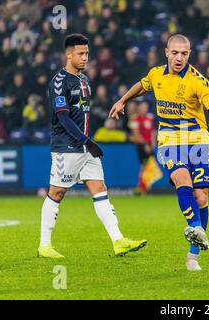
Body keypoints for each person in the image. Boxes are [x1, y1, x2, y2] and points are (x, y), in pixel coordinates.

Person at [109, 34, 209, 271]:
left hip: (198, 140)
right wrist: (122, 101)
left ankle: (193, 256)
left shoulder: (198, 81)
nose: (179, 57)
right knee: (182, 178)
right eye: (175, 53)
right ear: (166, 52)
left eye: (184, 53)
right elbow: (142, 86)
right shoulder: (156, 74)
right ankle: (197, 227)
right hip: (170, 140)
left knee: (201, 196)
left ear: (189, 54)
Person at [38, 34, 147, 259]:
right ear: (68, 55)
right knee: (56, 193)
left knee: (100, 190)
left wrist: (88, 140)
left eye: (87, 53)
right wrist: (87, 140)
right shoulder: (59, 82)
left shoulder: (85, 80)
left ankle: (118, 241)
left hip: (85, 147)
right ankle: (44, 245)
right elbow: (64, 118)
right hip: (66, 147)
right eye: (80, 53)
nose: (85, 57)